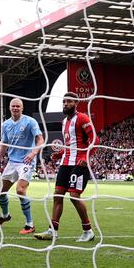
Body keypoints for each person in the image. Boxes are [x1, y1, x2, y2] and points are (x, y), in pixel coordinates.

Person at [35, 93, 97, 243]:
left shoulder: (82, 118)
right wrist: (60, 153)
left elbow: (95, 139)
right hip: (66, 163)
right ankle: (52, 231)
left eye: (69, 101)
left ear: (76, 103)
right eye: (64, 101)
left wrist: (85, 157)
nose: (65, 104)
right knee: (58, 195)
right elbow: (71, 144)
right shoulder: (64, 122)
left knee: (74, 196)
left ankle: (88, 231)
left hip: (79, 164)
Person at [0, 98, 44, 235]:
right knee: (0, 192)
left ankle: (29, 224)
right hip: (12, 162)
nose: (15, 108)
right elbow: (4, 143)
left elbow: (40, 139)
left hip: (26, 161)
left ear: (22, 108)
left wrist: (33, 153)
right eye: (13, 106)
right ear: (10, 108)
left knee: (20, 191)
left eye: (18, 106)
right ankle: (5, 216)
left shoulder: (30, 122)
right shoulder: (6, 124)